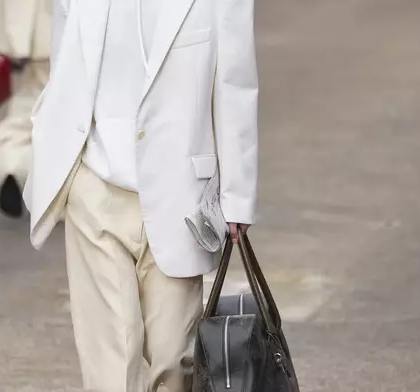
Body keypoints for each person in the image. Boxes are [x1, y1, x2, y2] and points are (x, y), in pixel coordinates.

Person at [24, 0, 259, 391]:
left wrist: (237, 195)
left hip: (181, 199)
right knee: (111, 359)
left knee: (174, 361)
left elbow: (235, 87)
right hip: (93, 187)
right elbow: (63, 73)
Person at [0, 0, 51, 217]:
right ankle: (52, 186)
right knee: (64, 108)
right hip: (66, 19)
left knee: (31, 101)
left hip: (24, 18)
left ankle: (11, 162)